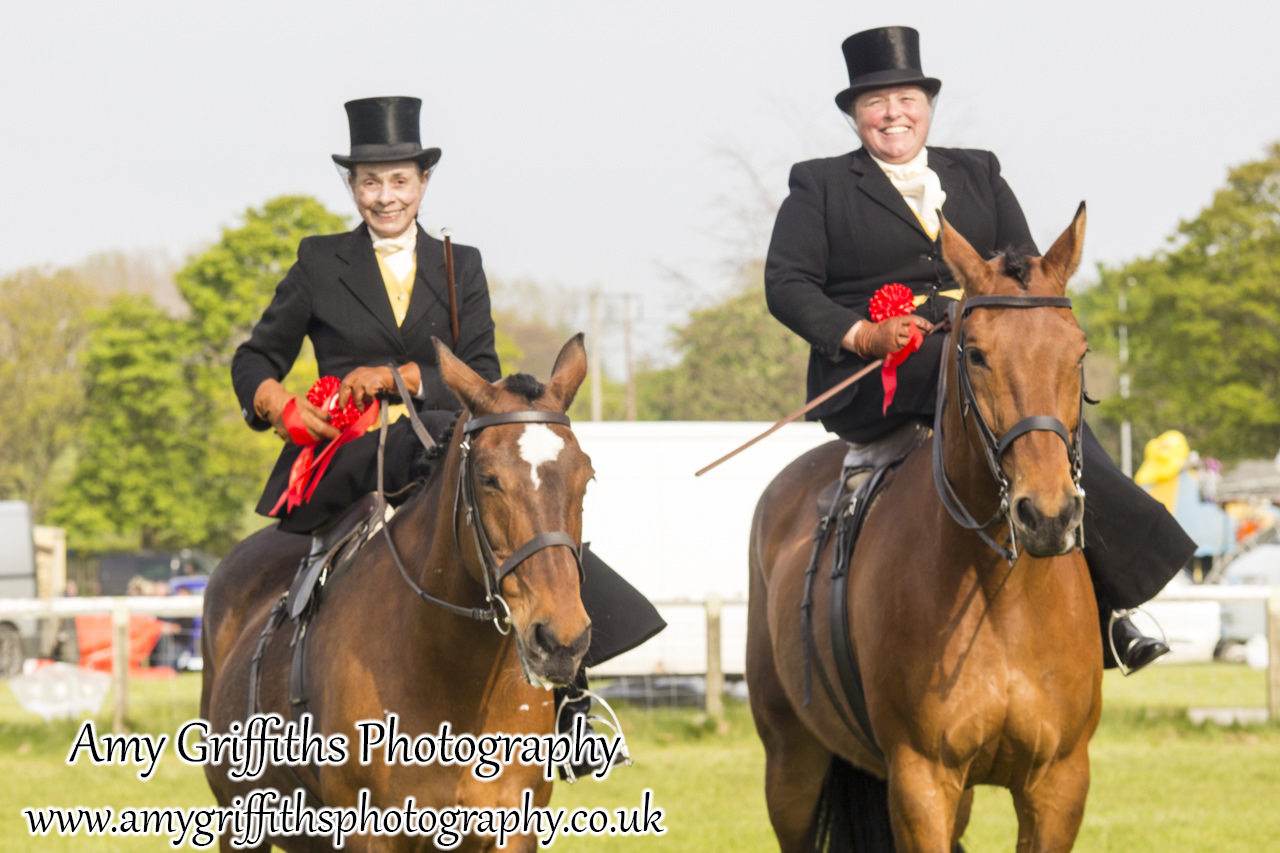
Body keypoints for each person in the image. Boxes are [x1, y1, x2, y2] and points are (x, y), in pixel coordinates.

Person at [232, 97, 663, 771]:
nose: (385, 196)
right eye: (370, 182)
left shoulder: (461, 264)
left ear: (422, 183)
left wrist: (397, 372)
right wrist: (281, 406)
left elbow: (483, 375)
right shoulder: (319, 261)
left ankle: (572, 691)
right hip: (351, 448)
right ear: (353, 188)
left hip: (442, 436)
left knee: (529, 500)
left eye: (399, 180)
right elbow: (254, 358)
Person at [763, 27, 1193, 673]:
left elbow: (1027, 269)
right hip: (876, 367)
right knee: (971, 367)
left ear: (927, 105)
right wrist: (860, 333)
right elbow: (785, 284)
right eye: (876, 103)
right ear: (856, 115)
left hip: (980, 355)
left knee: (1045, 404)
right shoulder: (819, 185)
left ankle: (1111, 602)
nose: (892, 114)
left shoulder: (980, 170)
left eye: (905, 98)